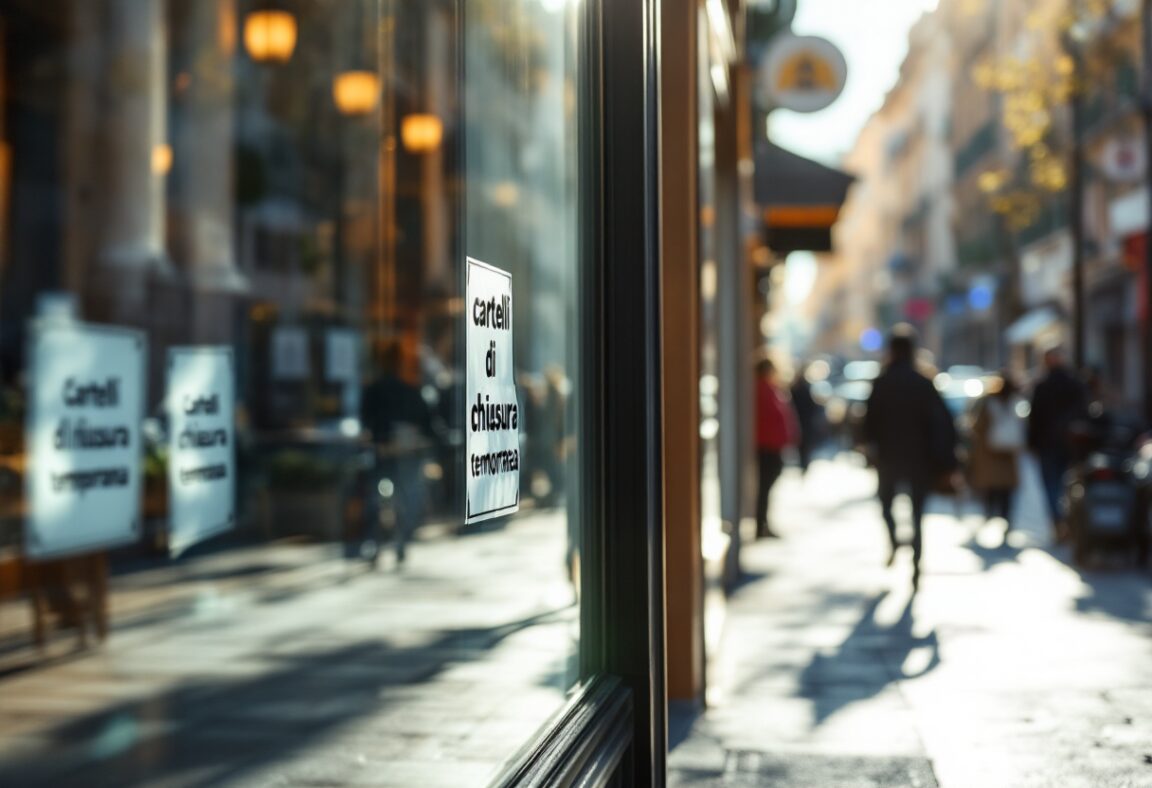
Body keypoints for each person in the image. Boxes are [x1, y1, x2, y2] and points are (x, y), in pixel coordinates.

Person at [863, 325, 957, 590]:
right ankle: (917, 564)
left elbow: (868, 423)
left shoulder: (881, 382)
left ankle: (895, 541)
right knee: (917, 515)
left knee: (886, 505)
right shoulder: (924, 383)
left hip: (889, 458)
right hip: (920, 460)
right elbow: (944, 424)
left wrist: (870, 450)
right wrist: (947, 462)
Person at [358, 340, 436, 566]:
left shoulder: (375, 390)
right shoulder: (410, 392)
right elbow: (428, 425)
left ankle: (375, 543)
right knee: (399, 500)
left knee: (377, 499)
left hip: (385, 452)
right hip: (403, 454)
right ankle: (396, 542)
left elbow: (367, 422)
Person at [1027, 346, 1087, 541]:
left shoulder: (1043, 385)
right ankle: (1064, 521)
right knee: (1065, 484)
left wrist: (1032, 443)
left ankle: (1059, 521)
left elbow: (1034, 418)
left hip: (1049, 443)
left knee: (1051, 485)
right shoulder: (1074, 383)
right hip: (1069, 443)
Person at [969, 373, 1025, 539]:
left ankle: (990, 513)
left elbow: (977, 426)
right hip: (1008, 454)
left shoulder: (988, 403)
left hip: (989, 455)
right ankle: (1005, 518)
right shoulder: (1017, 403)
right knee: (1006, 491)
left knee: (991, 488)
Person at [755, 357, 797, 539]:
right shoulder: (762, 389)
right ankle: (760, 524)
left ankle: (763, 522)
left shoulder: (770, 389)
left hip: (773, 444)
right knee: (765, 486)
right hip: (767, 445)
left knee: (767, 486)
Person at [790, 364, 822, 475]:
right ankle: (804, 464)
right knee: (804, 444)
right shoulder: (803, 388)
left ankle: (803, 464)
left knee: (804, 445)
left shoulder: (796, 388)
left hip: (802, 420)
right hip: (804, 421)